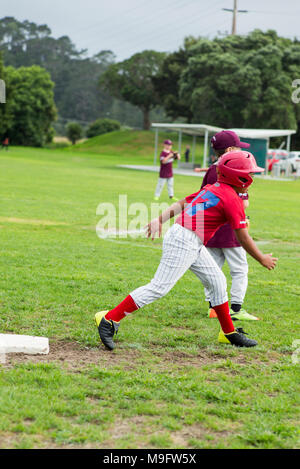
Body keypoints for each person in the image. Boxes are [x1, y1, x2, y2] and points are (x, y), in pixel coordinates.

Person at [95, 151, 277, 351]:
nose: (252, 176)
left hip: (189, 238)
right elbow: (242, 236)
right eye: (249, 173)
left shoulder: (214, 187)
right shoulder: (231, 198)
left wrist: (159, 219)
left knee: (218, 282)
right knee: (159, 287)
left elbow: (182, 203)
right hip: (185, 240)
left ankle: (228, 333)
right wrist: (261, 258)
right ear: (239, 176)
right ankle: (110, 319)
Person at [201, 131, 257, 321]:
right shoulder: (234, 170)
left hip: (211, 228)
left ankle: (213, 307)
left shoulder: (211, 170)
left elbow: (203, 196)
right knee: (239, 269)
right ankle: (235, 307)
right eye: (238, 147)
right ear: (230, 150)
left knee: (212, 268)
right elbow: (243, 203)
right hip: (232, 229)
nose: (240, 150)